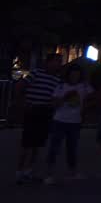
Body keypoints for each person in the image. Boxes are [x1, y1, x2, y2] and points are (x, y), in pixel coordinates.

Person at [15, 53, 61, 185]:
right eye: (56, 61)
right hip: (32, 109)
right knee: (27, 143)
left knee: (38, 143)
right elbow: (20, 85)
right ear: (48, 62)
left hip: (45, 111)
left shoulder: (56, 80)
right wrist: (21, 102)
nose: (57, 64)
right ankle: (19, 172)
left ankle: (28, 171)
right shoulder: (36, 73)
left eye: (59, 62)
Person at [44, 63, 92, 184]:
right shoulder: (61, 87)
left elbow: (93, 98)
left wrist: (85, 108)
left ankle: (73, 171)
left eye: (77, 75)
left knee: (72, 148)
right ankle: (49, 173)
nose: (74, 77)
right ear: (68, 75)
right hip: (59, 120)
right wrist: (64, 98)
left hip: (75, 121)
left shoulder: (85, 86)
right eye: (72, 74)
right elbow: (54, 104)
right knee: (54, 147)